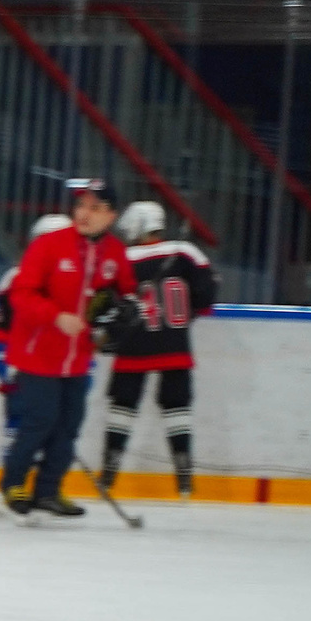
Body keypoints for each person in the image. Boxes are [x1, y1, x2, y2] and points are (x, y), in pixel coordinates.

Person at [0, 180, 136, 519]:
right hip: (37, 354)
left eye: (95, 207)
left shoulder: (115, 252)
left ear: (111, 215)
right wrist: (55, 316)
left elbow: (127, 292)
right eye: (81, 205)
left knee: (69, 425)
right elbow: (22, 294)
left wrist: (127, 309)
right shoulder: (48, 245)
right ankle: (13, 484)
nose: (84, 213)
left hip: (78, 359)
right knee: (39, 421)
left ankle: (48, 490)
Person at [99, 200, 219, 497]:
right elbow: (206, 295)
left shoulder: (123, 257)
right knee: (177, 407)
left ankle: (108, 475)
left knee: (122, 406)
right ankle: (184, 477)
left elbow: (105, 301)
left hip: (133, 343)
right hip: (174, 342)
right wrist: (184, 316)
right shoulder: (185, 252)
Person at [0, 212, 71, 447]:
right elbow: (0, 330)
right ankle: (14, 482)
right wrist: (5, 363)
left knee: (56, 434)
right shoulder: (16, 279)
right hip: (23, 371)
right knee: (17, 431)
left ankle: (46, 483)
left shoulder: (81, 281)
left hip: (59, 373)